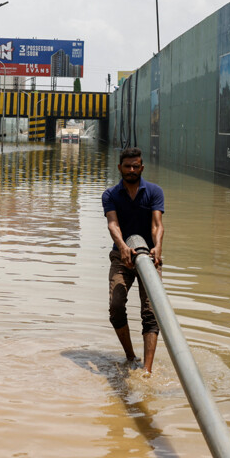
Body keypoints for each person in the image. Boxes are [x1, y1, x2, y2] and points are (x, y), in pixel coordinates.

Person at [102, 147, 165, 373]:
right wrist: (122, 247)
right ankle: (130, 357)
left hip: (149, 257)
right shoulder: (110, 195)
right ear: (120, 167)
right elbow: (113, 224)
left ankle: (147, 370)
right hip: (122, 256)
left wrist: (157, 247)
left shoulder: (154, 191)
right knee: (116, 306)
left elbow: (157, 224)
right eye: (127, 166)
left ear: (142, 167)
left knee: (151, 311)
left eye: (135, 166)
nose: (131, 170)